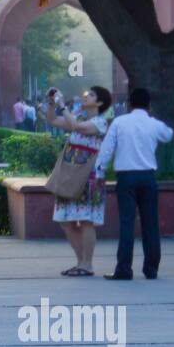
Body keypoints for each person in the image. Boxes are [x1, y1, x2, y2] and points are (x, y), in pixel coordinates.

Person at [95, 87, 173, 280]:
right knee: (150, 223)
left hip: (126, 178)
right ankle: (151, 268)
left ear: (129, 104)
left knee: (127, 223)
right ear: (149, 105)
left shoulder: (120, 122)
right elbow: (169, 135)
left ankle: (124, 269)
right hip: (148, 177)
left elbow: (106, 149)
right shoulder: (153, 124)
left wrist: (100, 171)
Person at [40, 85, 112, 276]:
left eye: (91, 95)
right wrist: (51, 103)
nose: (86, 96)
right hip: (70, 176)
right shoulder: (78, 117)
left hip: (90, 178)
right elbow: (53, 120)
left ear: (100, 102)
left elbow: (78, 128)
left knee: (86, 220)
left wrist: (63, 105)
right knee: (65, 220)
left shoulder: (100, 123)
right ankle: (81, 262)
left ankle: (87, 264)